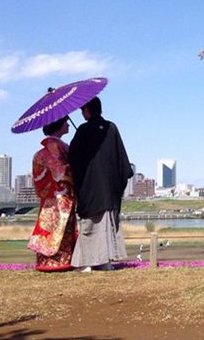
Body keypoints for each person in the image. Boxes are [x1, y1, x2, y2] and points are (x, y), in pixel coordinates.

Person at [68, 96, 133, 271]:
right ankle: (105, 262)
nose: (82, 113)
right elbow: (123, 163)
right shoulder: (111, 128)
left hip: (91, 188)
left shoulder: (83, 130)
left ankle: (85, 263)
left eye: (82, 110)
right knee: (108, 226)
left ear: (87, 110)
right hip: (111, 189)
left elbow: (73, 158)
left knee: (90, 225)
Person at [27, 117, 78, 272]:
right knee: (60, 228)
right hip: (60, 197)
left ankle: (48, 260)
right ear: (59, 125)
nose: (68, 123)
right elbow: (62, 173)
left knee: (48, 228)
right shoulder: (56, 148)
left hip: (50, 197)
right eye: (65, 121)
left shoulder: (42, 152)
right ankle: (59, 261)